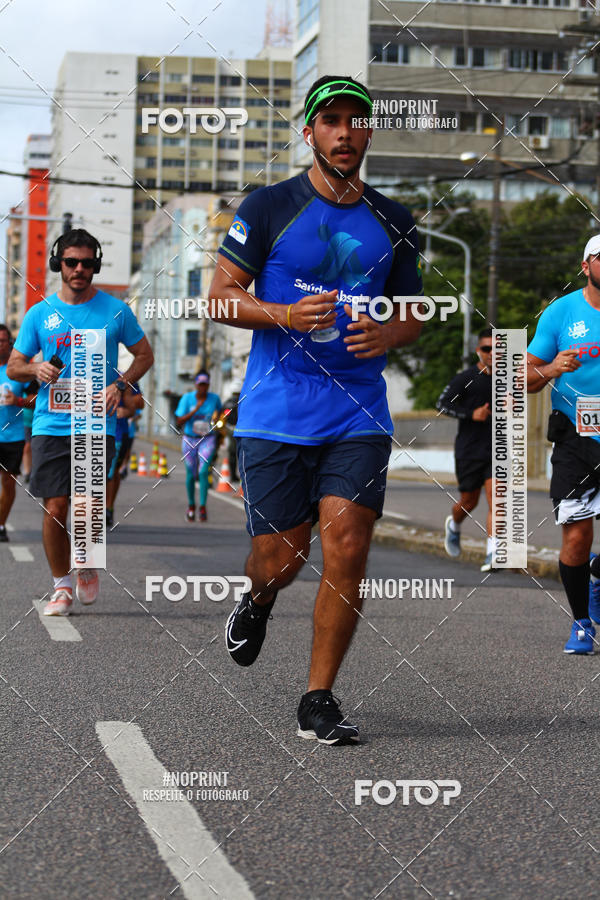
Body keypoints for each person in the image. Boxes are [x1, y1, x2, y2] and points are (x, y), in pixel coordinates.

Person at [208, 75, 423, 745]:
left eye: (357, 121)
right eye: (331, 120)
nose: (345, 131)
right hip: (276, 413)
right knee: (279, 558)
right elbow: (219, 296)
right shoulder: (271, 206)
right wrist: (282, 313)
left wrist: (387, 333)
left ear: (368, 133)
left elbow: (414, 310)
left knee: (348, 545)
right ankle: (259, 600)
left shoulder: (395, 219)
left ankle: (318, 697)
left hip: (357, 413)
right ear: (310, 131)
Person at [7, 229, 153, 615]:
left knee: (87, 505)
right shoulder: (39, 313)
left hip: (95, 423)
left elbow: (144, 355)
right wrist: (36, 367)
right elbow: (14, 365)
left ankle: (86, 561)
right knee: (56, 507)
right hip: (50, 424)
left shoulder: (116, 310)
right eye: (71, 262)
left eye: (87, 263)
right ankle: (61, 587)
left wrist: (119, 385)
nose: (79, 269)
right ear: (59, 263)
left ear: (95, 266)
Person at [527, 233, 600, 654]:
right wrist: (553, 366)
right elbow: (521, 379)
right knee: (577, 538)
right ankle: (581, 622)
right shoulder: (561, 312)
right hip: (576, 433)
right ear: (586, 265)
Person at [437, 328, 495, 571]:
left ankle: (494, 553)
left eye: (498, 348)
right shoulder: (466, 378)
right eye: (487, 348)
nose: (493, 353)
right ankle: (455, 523)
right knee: (468, 502)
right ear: (478, 351)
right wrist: (472, 414)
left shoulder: (509, 378)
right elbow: (441, 404)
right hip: (469, 450)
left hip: (498, 449)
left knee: (498, 501)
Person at [0, 324, 36, 542]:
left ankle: (1, 523)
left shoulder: (19, 369)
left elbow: (36, 398)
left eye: (3, 341)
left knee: (8, 483)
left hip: (12, 436)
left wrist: (19, 401)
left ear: (9, 343)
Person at [175, 371, 221, 522]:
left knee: (203, 472)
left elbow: (219, 414)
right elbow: (179, 421)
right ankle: (191, 505)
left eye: (205, 384)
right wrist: (195, 409)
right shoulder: (187, 399)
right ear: (196, 384)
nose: (203, 387)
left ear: (208, 385)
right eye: (200, 384)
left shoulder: (214, 399)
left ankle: (202, 506)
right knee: (191, 474)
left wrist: (219, 422)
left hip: (207, 439)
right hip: (189, 439)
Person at [106, 381, 144, 526]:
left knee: (111, 473)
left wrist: (121, 399)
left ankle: (108, 508)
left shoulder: (124, 377)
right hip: (89, 431)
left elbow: (140, 402)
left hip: (118, 432)